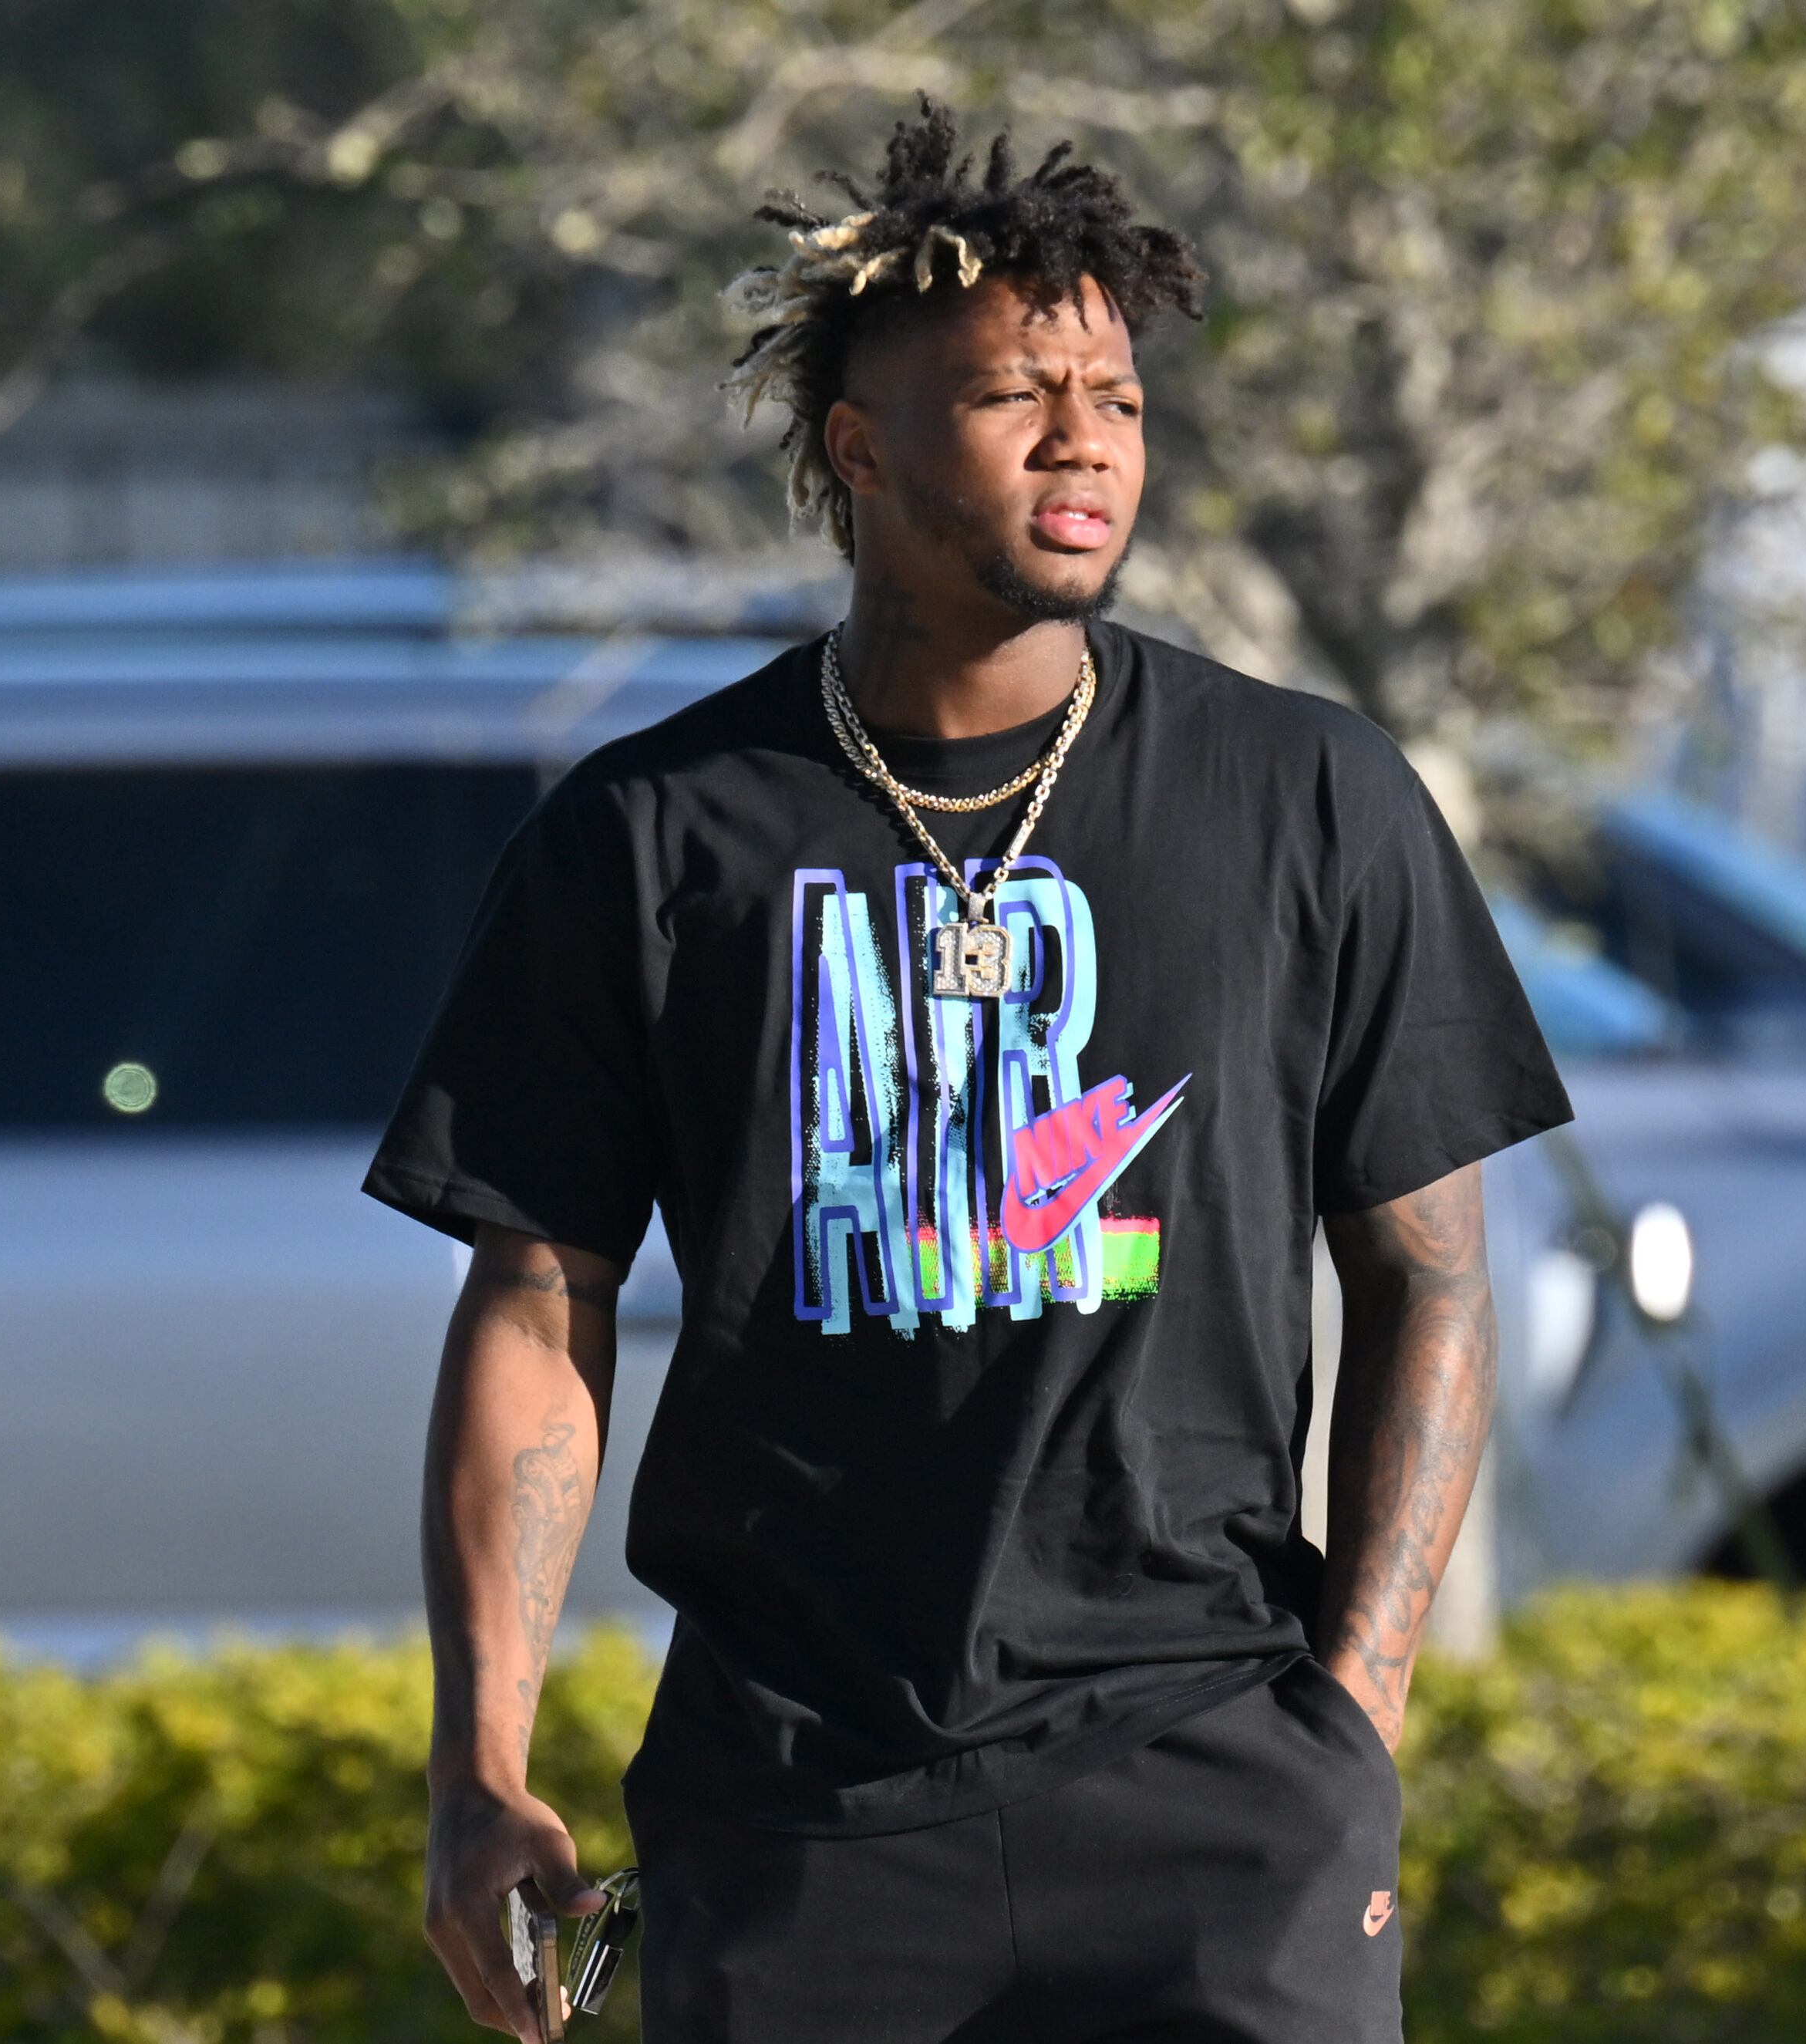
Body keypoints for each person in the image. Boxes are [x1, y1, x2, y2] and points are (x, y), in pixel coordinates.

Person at [366, 100, 1571, 2044]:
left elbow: (1429, 1274)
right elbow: (538, 1295)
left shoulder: (1311, 797)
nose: (1088, 435)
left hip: (1217, 1775)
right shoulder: (656, 836)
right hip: (800, 1800)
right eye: (1020, 392)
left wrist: (1356, 1708)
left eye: (1116, 392)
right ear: (859, 448)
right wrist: (477, 1761)